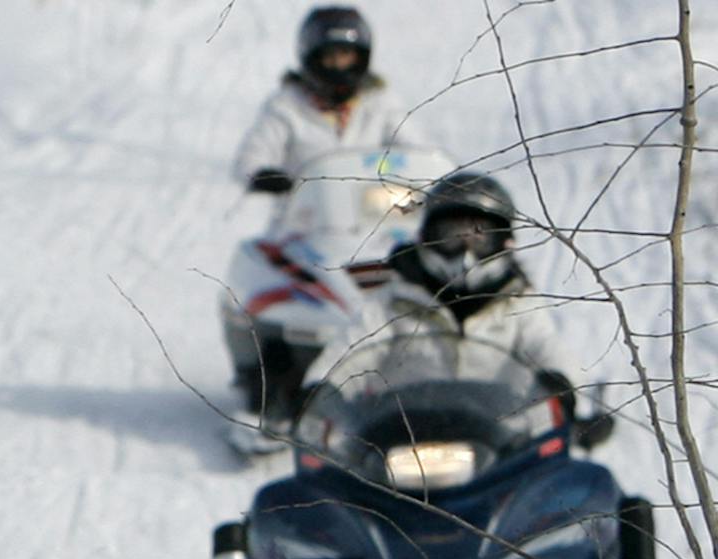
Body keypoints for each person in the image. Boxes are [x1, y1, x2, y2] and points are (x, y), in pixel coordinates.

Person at [358, 171, 611, 445]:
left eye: (480, 238)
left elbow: (545, 346)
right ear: (428, 235)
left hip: (500, 444)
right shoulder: (394, 298)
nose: (466, 253)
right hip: (399, 441)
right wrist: (327, 390)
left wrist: (562, 386)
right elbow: (353, 348)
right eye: (451, 236)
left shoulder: (518, 302)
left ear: (503, 241)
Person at [234, 7, 404, 195]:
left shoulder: (381, 102)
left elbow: (416, 151)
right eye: (330, 55)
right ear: (313, 58)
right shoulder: (287, 105)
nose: (338, 63)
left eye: (345, 53)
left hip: (373, 206)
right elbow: (252, 156)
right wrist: (265, 176)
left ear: (360, 57)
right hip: (306, 208)